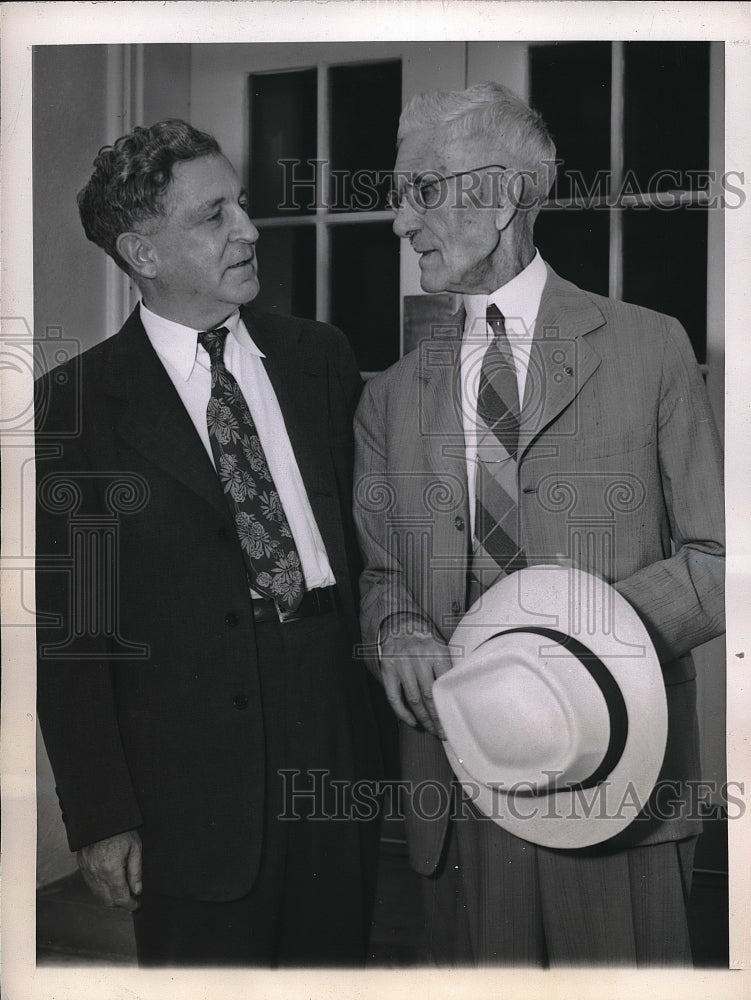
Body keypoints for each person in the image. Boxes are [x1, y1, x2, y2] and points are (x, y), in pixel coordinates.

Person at [353, 82, 724, 965]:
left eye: (421, 190)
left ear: (501, 194)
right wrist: (397, 623)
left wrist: (572, 646)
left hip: (617, 778)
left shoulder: (651, 348)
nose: (399, 223)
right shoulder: (389, 397)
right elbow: (379, 574)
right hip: (457, 783)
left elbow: (719, 560)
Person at [36, 119, 382, 967]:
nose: (249, 229)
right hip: (187, 788)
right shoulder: (76, 406)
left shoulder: (320, 359)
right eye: (213, 214)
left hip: (332, 747)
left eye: (244, 204)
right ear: (141, 253)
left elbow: (368, 543)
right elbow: (72, 635)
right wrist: (103, 813)